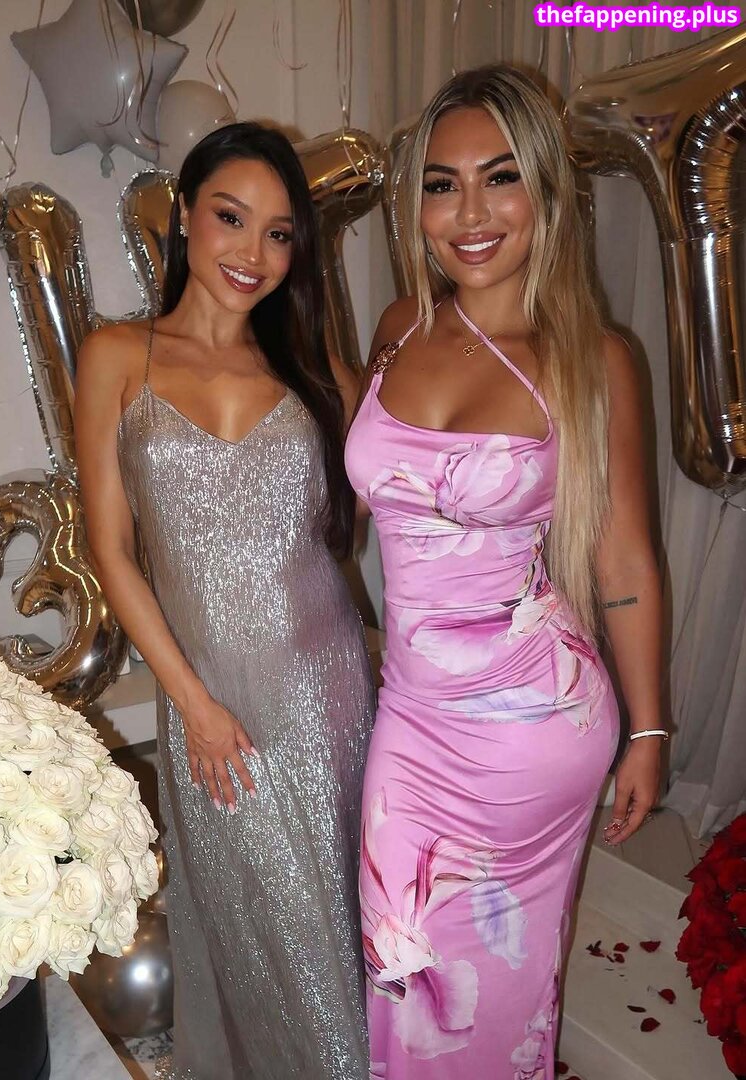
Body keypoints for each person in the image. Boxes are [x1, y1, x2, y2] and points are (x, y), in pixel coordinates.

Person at [345, 65, 664, 1078]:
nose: (471, 214)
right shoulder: (398, 327)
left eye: (501, 178)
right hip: (411, 712)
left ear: (547, 193)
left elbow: (622, 559)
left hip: (530, 722)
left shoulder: (590, 358)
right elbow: (366, 500)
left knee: (493, 989)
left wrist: (649, 731)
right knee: (399, 962)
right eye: (443, 185)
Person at [75, 121, 374, 1080]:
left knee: (339, 928)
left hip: (327, 691)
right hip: (210, 703)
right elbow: (112, 551)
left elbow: (382, 512)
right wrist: (194, 704)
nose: (253, 252)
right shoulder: (117, 356)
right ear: (183, 215)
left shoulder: (315, 370)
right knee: (259, 934)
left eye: (279, 233)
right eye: (231, 218)